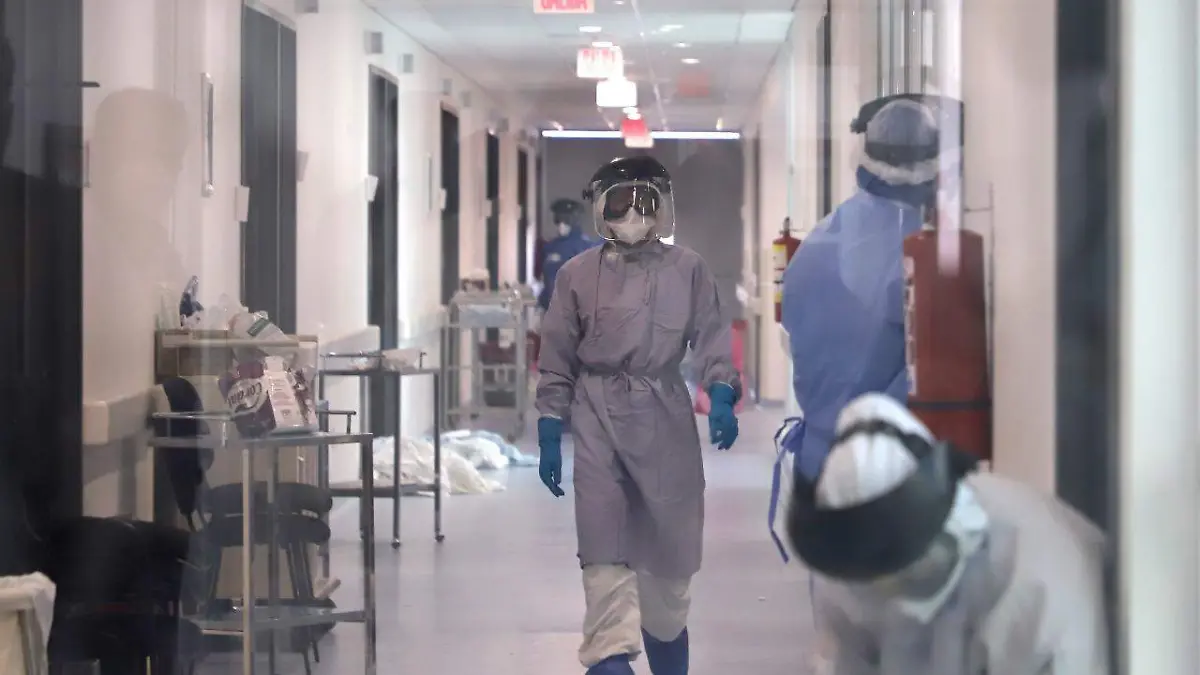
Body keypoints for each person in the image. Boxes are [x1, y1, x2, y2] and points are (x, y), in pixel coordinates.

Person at [535, 155, 742, 675]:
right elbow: (556, 355)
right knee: (604, 557)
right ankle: (609, 657)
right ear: (600, 210)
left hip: (665, 419)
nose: (632, 215)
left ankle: (666, 649)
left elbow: (713, 336)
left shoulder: (688, 269)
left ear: (661, 208)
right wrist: (549, 425)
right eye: (620, 204)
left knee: (667, 584)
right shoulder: (577, 275)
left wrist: (721, 391)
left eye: (643, 203)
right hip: (597, 419)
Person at [787, 393, 1109, 674]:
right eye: (874, 578)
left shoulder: (1038, 583)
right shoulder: (846, 578)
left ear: (951, 526)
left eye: (907, 571)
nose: (891, 593)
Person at [779, 95, 962, 483]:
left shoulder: (819, 242)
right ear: (935, 173)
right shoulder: (922, 256)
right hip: (882, 473)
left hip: (818, 462)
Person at [537, 197, 599, 311]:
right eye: (558, 220)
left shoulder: (586, 247)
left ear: (574, 221)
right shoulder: (550, 247)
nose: (561, 225)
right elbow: (545, 280)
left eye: (566, 221)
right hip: (550, 309)